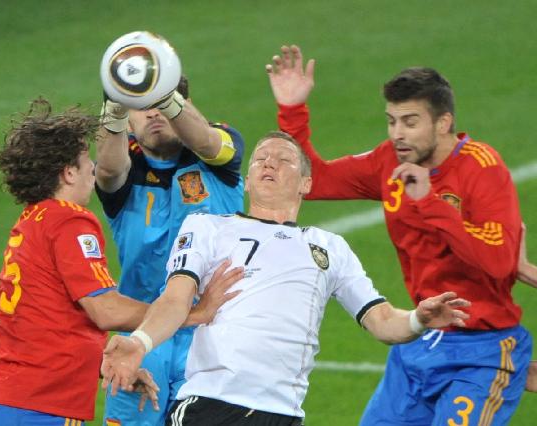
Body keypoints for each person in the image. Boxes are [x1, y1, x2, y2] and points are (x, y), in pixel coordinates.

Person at [99, 132, 471, 426]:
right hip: (210, 405)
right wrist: (141, 341)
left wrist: (419, 320)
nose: (269, 163)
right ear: (246, 181)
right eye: (260, 157)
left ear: (306, 183)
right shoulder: (207, 227)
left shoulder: (330, 248)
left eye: (284, 159)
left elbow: (383, 322)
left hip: (284, 413)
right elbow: (175, 299)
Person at [266, 45, 532, 425]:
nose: (397, 134)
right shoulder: (389, 161)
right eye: (391, 121)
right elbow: (316, 181)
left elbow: (499, 262)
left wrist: (429, 201)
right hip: (422, 339)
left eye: (410, 122)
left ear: (443, 123)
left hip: (482, 350)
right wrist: (293, 111)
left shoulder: (481, 168)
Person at [0, 98, 242, 426]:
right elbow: (106, 311)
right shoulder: (69, 221)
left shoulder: (30, 222)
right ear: (68, 173)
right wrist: (190, 314)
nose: (93, 167)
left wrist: (99, 366)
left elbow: (47, 321)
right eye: (84, 161)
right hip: (39, 408)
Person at [97, 75, 245, 425]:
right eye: (141, 106)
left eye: (164, 102)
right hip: (140, 341)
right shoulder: (123, 168)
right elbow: (107, 169)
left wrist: (168, 99)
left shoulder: (219, 152)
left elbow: (208, 142)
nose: (153, 113)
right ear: (128, 123)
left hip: (212, 339)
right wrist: (112, 109)